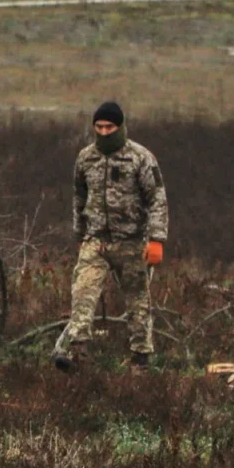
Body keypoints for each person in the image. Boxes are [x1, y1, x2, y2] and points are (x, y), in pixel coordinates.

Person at [53, 102, 168, 372]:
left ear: (120, 126)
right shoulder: (86, 158)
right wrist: (80, 235)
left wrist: (156, 240)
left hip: (131, 242)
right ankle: (79, 355)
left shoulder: (140, 158)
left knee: (138, 302)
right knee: (82, 294)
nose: (104, 132)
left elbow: (157, 198)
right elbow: (79, 197)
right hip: (96, 241)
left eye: (110, 127)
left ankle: (141, 360)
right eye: (99, 127)